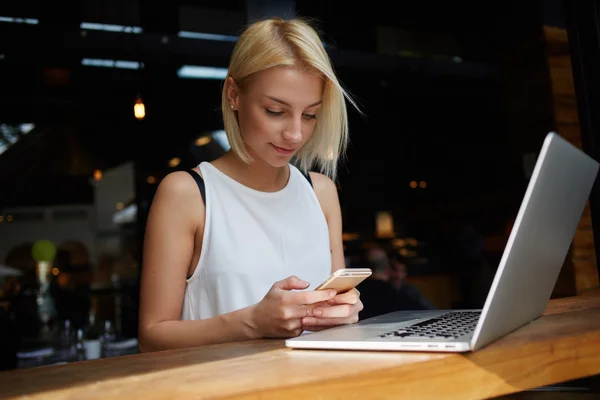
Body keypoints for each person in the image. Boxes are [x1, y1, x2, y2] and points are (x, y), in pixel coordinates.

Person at [138, 17, 363, 352]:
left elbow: (334, 314)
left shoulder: (321, 193)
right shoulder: (188, 194)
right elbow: (152, 337)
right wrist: (252, 322)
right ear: (234, 95)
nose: (295, 134)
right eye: (275, 111)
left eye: (311, 114)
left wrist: (344, 310)